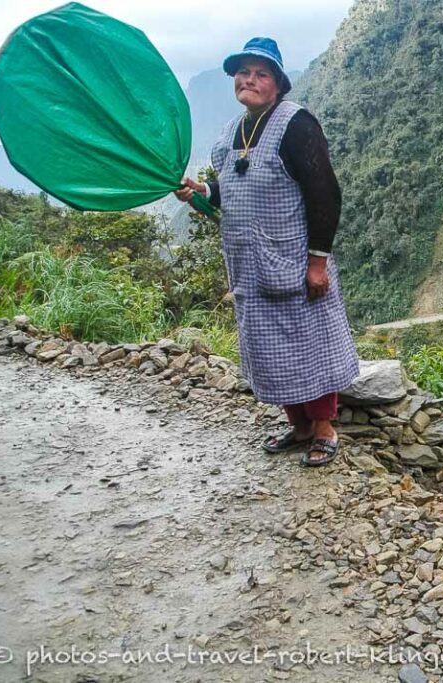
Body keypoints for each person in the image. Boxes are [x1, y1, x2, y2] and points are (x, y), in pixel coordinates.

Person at [174, 37, 359, 467]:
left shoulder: (297, 125)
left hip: (295, 264)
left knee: (311, 346)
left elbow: (325, 194)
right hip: (249, 268)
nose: (249, 80)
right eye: (243, 72)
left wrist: (317, 262)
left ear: (277, 83)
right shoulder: (229, 134)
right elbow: (230, 190)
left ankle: (325, 430)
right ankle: (298, 427)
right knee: (271, 350)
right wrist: (201, 191)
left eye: (260, 73)